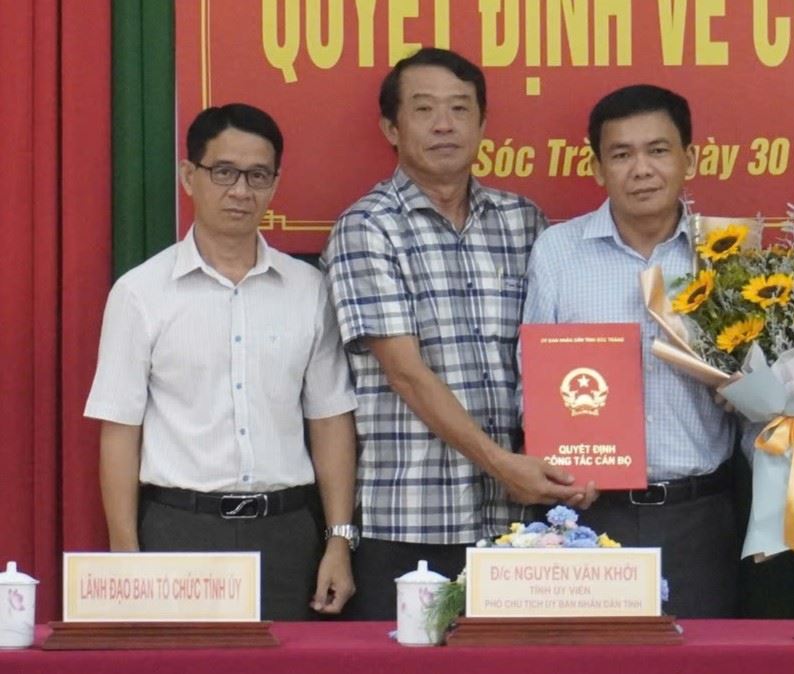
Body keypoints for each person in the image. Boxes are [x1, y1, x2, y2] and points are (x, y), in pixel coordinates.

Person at [322, 47, 592, 620]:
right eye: (424, 109)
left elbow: (558, 358)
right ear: (391, 129)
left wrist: (582, 460)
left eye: (460, 108)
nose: (444, 124)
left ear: (482, 123)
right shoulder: (366, 227)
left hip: (520, 523)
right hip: (412, 520)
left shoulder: (524, 221)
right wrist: (503, 465)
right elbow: (405, 374)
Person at [85, 103, 360, 620]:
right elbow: (119, 431)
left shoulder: (309, 290)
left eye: (258, 176)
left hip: (287, 533)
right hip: (179, 529)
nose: (241, 191)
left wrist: (338, 540)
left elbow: (330, 420)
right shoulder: (140, 293)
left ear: (275, 184)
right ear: (189, 176)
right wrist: (125, 557)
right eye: (224, 172)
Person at [522, 84, 741, 618]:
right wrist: (558, 463)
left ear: (690, 159)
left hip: (699, 514)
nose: (641, 169)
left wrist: (748, 391)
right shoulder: (558, 252)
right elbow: (533, 384)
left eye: (658, 150)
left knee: (704, 654)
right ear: (598, 169)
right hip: (590, 516)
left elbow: (766, 390)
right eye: (621, 155)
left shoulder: (728, 252)